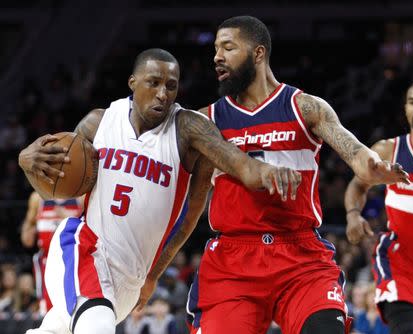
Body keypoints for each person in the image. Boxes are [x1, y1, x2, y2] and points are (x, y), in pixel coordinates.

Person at [141, 16, 410, 334]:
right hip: (233, 261)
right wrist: (154, 273)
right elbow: (192, 208)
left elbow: (356, 153)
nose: (217, 56)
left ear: (258, 53)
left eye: (228, 47)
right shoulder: (206, 121)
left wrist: (374, 167)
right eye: (215, 49)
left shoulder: (305, 107)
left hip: (299, 256)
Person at [18, 48, 302, 334]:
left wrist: (269, 170)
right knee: (96, 326)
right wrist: (27, 161)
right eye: (153, 82)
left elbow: (219, 184)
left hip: (131, 281)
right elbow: (56, 176)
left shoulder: (188, 128)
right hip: (86, 249)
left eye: (171, 85)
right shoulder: (99, 122)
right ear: (133, 83)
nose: (163, 94)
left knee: (55, 330)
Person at [345, 79, 413, 334]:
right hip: (398, 255)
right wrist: (353, 215)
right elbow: (357, 187)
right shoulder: (388, 149)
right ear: (406, 109)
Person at [21, 191, 83, 315]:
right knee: (48, 310)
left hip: (74, 261)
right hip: (47, 261)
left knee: (76, 306)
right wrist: (32, 228)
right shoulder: (37, 198)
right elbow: (27, 241)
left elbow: (91, 232)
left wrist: (69, 218)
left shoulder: (80, 197)